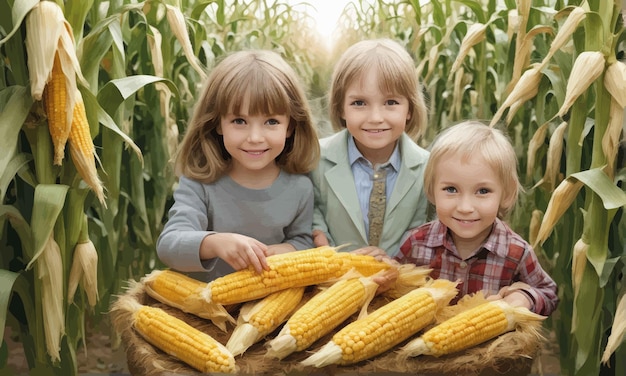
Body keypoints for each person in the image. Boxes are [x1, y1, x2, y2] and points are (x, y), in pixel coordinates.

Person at [156, 50, 320, 282]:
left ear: (291, 126)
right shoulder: (200, 184)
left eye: (271, 122)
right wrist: (215, 243)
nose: (255, 137)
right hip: (207, 308)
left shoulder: (300, 188)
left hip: (269, 306)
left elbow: (303, 240)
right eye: (239, 121)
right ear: (218, 124)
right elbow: (169, 244)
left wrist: (288, 250)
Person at [395, 121, 558, 316]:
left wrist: (524, 297)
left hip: (491, 347)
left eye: (482, 191)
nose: (465, 207)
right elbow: (392, 287)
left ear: (506, 194)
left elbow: (548, 294)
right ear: (431, 190)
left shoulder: (515, 252)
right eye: (451, 189)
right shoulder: (416, 243)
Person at [310, 38, 430, 258]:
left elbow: (423, 230)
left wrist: (396, 261)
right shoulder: (315, 158)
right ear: (341, 109)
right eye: (359, 103)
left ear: (410, 109)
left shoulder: (428, 168)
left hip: (400, 285)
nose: (375, 118)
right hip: (332, 283)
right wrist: (327, 250)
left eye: (391, 103)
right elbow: (311, 214)